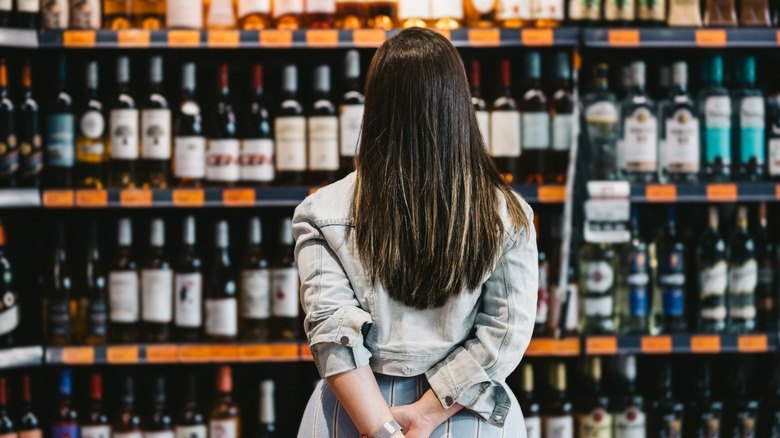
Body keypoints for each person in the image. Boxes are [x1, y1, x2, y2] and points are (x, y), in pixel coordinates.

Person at [294, 27, 538, 438]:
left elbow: (332, 334)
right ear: (457, 105)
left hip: (352, 413)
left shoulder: (322, 210)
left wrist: (382, 429)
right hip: (465, 414)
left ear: (375, 106)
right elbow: (506, 334)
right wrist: (425, 414)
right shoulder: (507, 212)